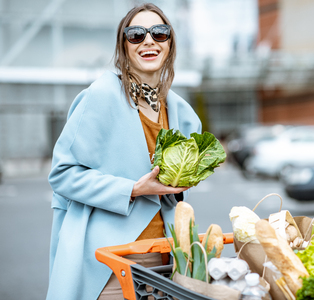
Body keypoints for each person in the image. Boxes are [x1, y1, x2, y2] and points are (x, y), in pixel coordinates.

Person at [46, 3, 201, 299]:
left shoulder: (183, 112)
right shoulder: (101, 96)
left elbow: (174, 194)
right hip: (110, 260)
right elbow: (62, 175)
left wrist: (180, 187)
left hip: (168, 258)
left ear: (170, 43)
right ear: (123, 46)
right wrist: (133, 189)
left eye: (159, 32)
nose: (148, 41)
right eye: (136, 35)